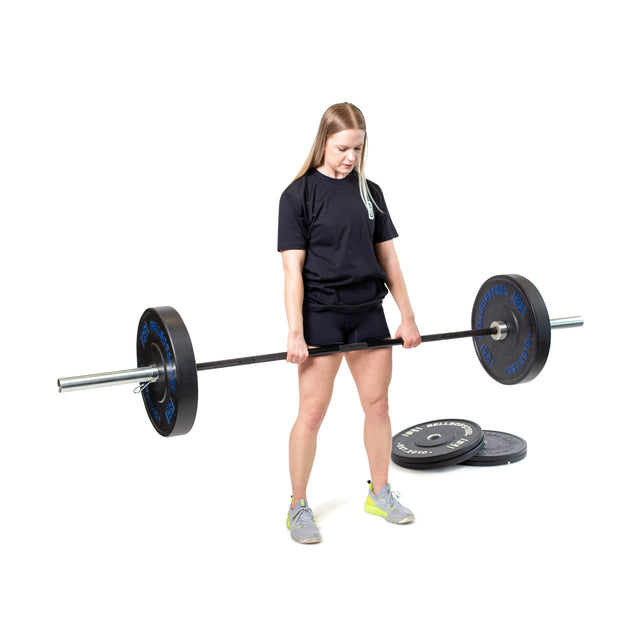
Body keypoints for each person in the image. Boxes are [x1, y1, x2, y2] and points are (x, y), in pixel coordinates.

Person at [277, 102, 421, 544]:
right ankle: (298, 505)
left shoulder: (370, 192)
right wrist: (296, 331)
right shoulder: (297, 195)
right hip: (321, 314)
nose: (350, 158)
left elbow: (388, 257)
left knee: (378, 406)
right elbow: (291, 270)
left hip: (367, 312)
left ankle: (380, 492)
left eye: (358, 149)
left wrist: (407, 316)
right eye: (343, 148)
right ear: (324, 141)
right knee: (313, 413)